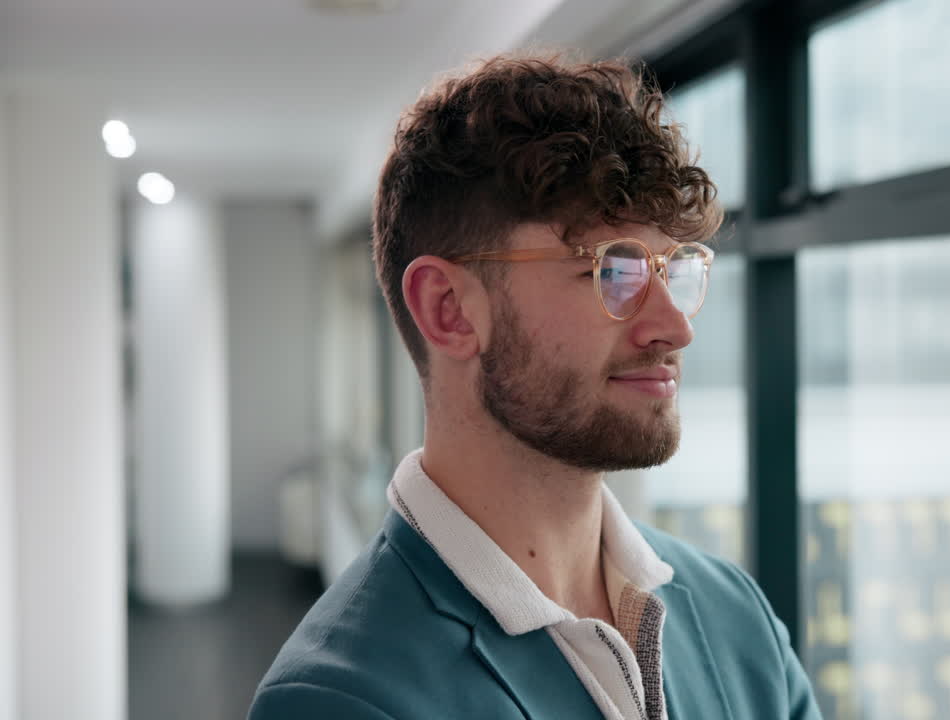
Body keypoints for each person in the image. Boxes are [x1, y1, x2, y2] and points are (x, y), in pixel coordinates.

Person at [249, 53, 821, 720]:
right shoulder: (342, 698)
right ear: (449, 310)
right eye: (615, 271)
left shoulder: (736, 614)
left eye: (674, 269)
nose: (674, 328)